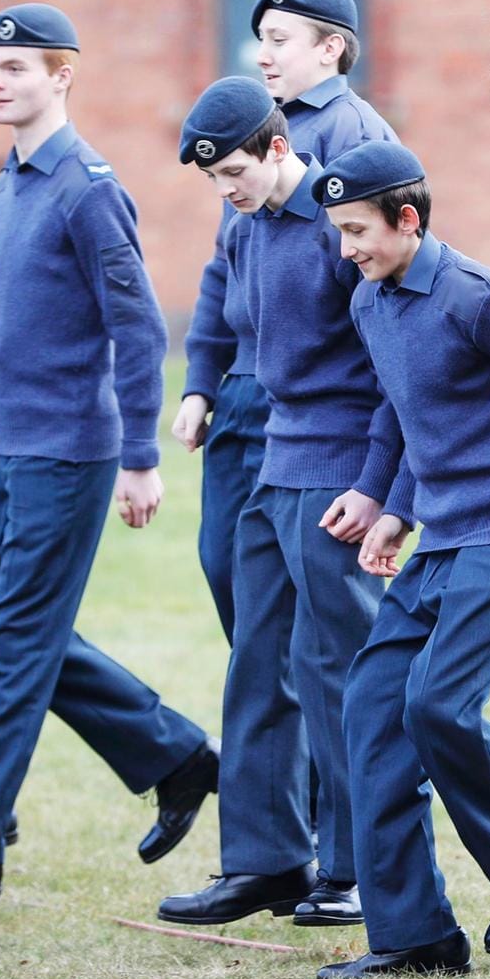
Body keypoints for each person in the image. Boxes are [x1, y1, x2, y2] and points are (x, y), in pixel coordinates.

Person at [0, 3, 216, 922]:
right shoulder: (7, 186)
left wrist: (141, 454)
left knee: (12, 654)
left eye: (17, 67)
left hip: (69, 452)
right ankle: (175, 755)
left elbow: (137, 324)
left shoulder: (86, 187)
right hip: (5, 447)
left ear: (62, 76)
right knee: (11, 638)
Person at [315, 140, 490, 979]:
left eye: (357, 230)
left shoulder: (475, 299)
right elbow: (399, 409)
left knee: (437, 705)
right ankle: (415, 937)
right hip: (439, 538)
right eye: (339, 233)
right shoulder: (373, 300)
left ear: (408, 219)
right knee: (371, 706)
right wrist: (391, 508)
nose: (347, 248)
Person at [156, 78, 393, 928]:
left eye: (235, 176)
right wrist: (198, 387)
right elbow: (218, 300)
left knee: (341, 657)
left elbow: (393, 363)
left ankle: (362, 866)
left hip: (335, 461)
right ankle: (263, 861)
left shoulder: (343, 225)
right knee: (258, 651)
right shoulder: (243, 219)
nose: (227, 194)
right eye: (216, 182)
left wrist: (380, 489)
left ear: (280, 148)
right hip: (268, 451)